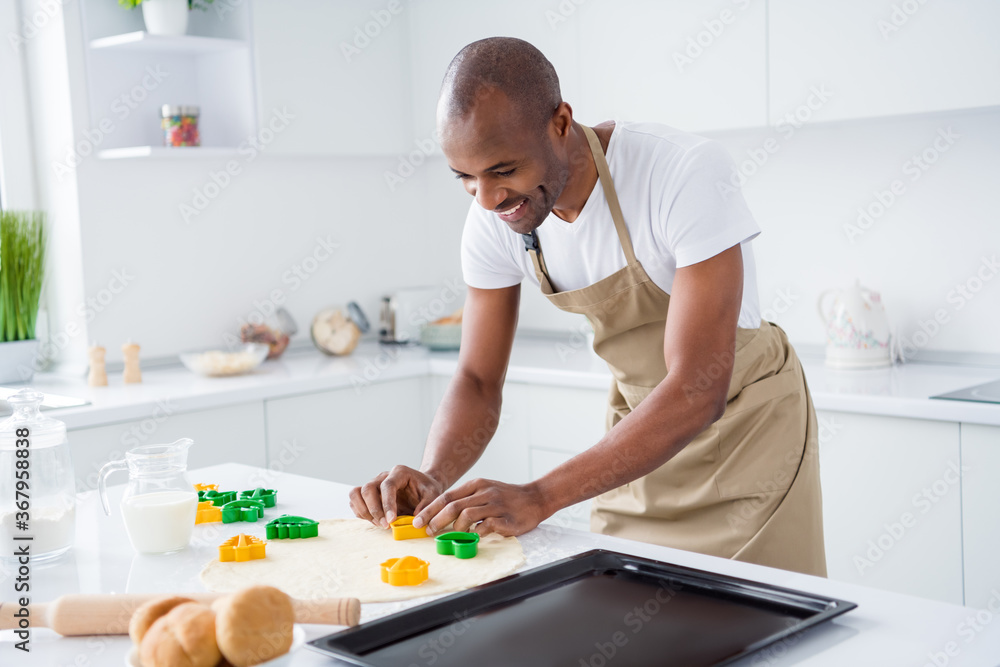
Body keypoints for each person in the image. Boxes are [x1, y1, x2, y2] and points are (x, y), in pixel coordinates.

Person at [350, 37, 826, 576]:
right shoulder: (496, 217)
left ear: (560, 122)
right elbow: (479, 379)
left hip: (749, 435)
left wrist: (540, 495)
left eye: (503, 170)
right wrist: (434, 475)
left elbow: (697, 386)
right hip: (640, 440)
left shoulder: (681, 173)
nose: (486, 199)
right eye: (465, 178)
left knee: (761, 633)